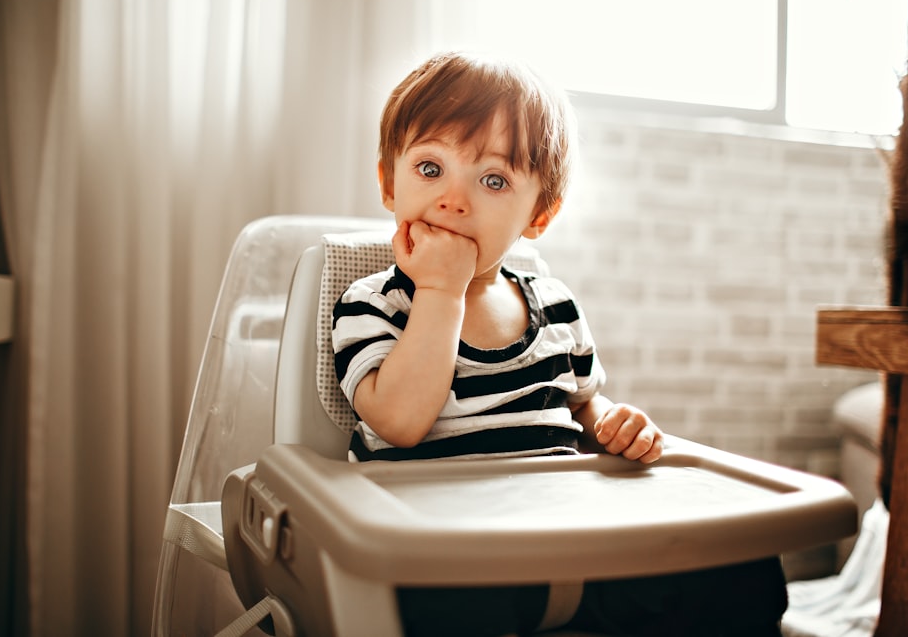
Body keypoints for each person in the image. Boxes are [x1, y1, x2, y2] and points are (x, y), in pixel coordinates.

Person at [332, 51, 786, 636]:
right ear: (388, 183)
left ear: (539, 214)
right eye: (428, 169)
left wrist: (612, 423)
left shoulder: (555, 306)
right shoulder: (374, 304)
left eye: (492, 179)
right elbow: (399, 420)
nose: (453, 199)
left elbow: (579, 404)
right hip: (444, 559)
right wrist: (440, 290)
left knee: (745, 569)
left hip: (570, 542)